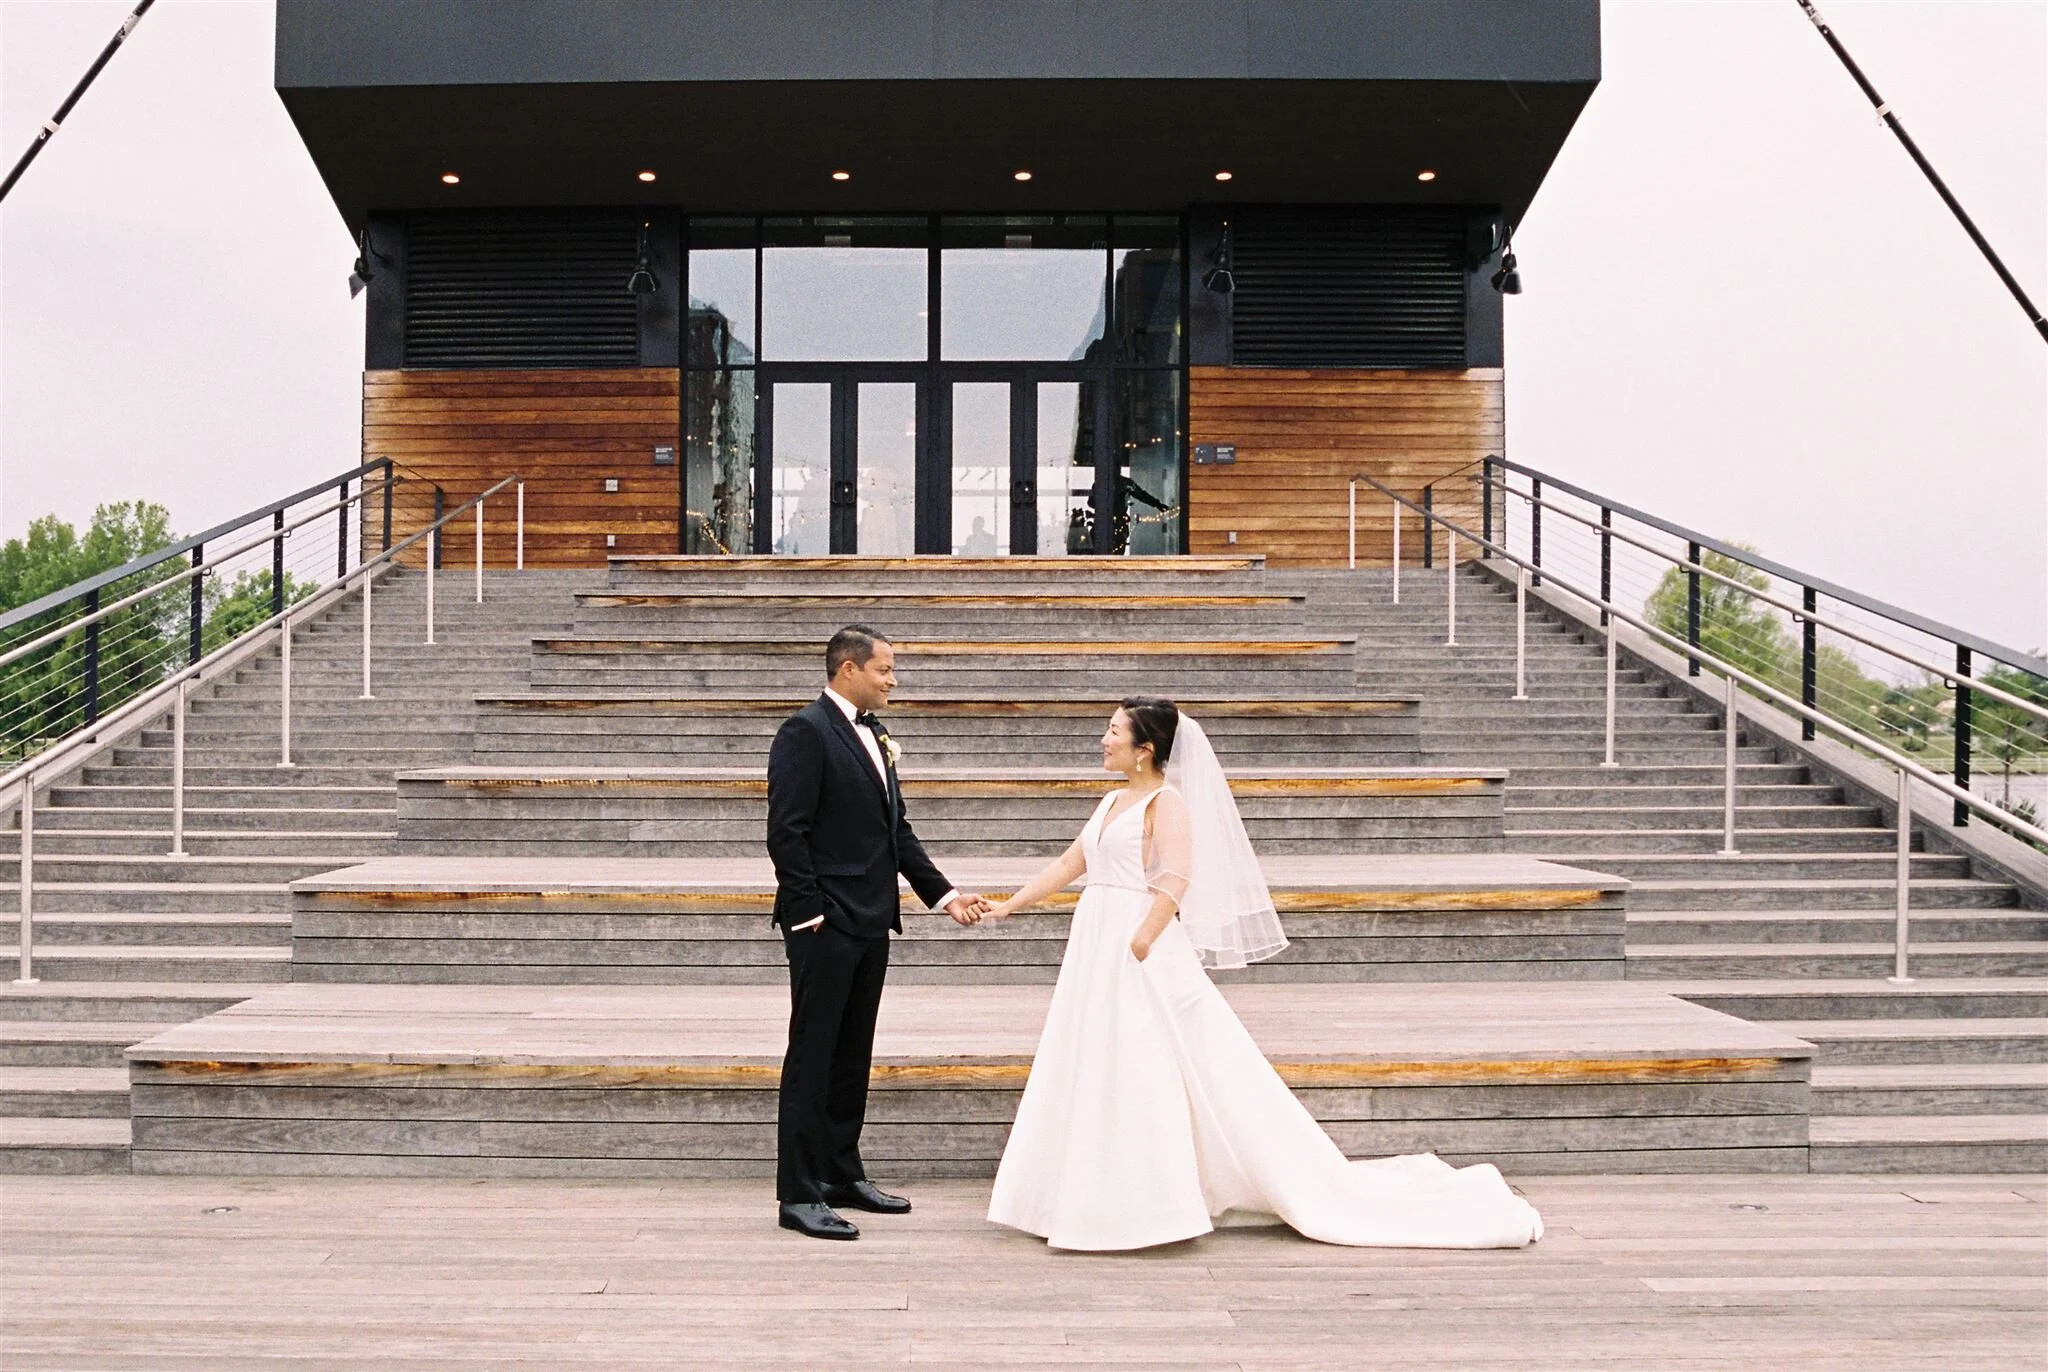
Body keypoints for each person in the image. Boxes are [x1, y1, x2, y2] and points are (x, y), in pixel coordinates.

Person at [971, 697, 1544, 1252]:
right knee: (1096, 1055)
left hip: (1134, 940)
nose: (1103, 739)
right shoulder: (1111, 802)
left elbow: (1176, 876)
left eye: (1114, 731)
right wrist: (1007, 905)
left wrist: (1143, 938)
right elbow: (1071, 863)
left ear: (1144, 749)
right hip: (1096, 938)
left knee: (1146, 1058)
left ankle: (1149, 1201)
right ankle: (1082, 1194)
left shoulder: (1165, 803)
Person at [765, 625, 990, 1241]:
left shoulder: (878, 734)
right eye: (884, 669)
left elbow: (897, 833)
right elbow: (787, 831)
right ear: (847, 670)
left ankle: (840, 1173)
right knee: (813, 1058)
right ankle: (799, 1194)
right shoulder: (804, 733)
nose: (893, 680)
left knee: (851, 1054)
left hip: (871, 920)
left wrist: (943, 896)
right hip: (824, 924)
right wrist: (810, 913)